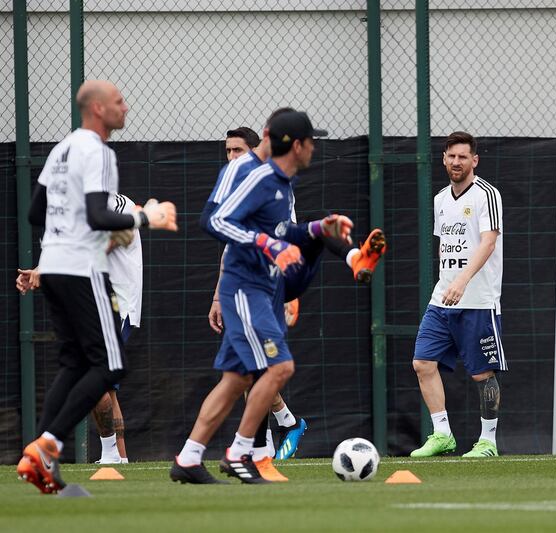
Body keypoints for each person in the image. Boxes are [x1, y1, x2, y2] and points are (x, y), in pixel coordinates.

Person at [16, 80, 177, 494]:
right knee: (110, 366)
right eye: (120, 101)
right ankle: (48, 445)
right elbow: (97, 215)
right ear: (99, 110)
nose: (127, 107)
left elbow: (36, 211)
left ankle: (38, 456)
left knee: (75, 364)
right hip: (80, 270)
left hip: (53, 267)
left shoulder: (63, 148)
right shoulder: (99, 151)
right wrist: (147, 218)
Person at [206, 109, 353, 483]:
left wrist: (311, 235)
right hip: (246, 286)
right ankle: (252, 450)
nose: (233, 156)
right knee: (269, 369)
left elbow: (283, 231)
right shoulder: (248, 175)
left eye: (238, 148)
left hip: (267, 284)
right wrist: (222, 294)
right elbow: (218, 224)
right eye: (228, 150)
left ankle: (199, 455)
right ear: (295, 144)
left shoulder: (277, 181)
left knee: (245, 376)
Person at [15, 193, 144, 465]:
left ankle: (69, 448)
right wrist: (40, 269)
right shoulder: (77, 208)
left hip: (116, 300)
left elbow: (121, 231)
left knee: (93, 371)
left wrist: (145, 216)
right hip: (92, 299)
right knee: (105, 382)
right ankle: (118, 458)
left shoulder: (115, 202)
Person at [410, 131, 505, 459]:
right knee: (423, 362)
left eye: (463, 157)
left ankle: (488, 441)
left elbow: (488, 242)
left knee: (482, 373)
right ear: (444, 159)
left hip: (478, 301)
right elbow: (444, 246)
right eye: (451, 156)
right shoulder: (439, 199)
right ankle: (442, 435)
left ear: (474, 160)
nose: (456, 162)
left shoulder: (486, 195)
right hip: (442, 300)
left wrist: (463, 281)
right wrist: (448, 282)